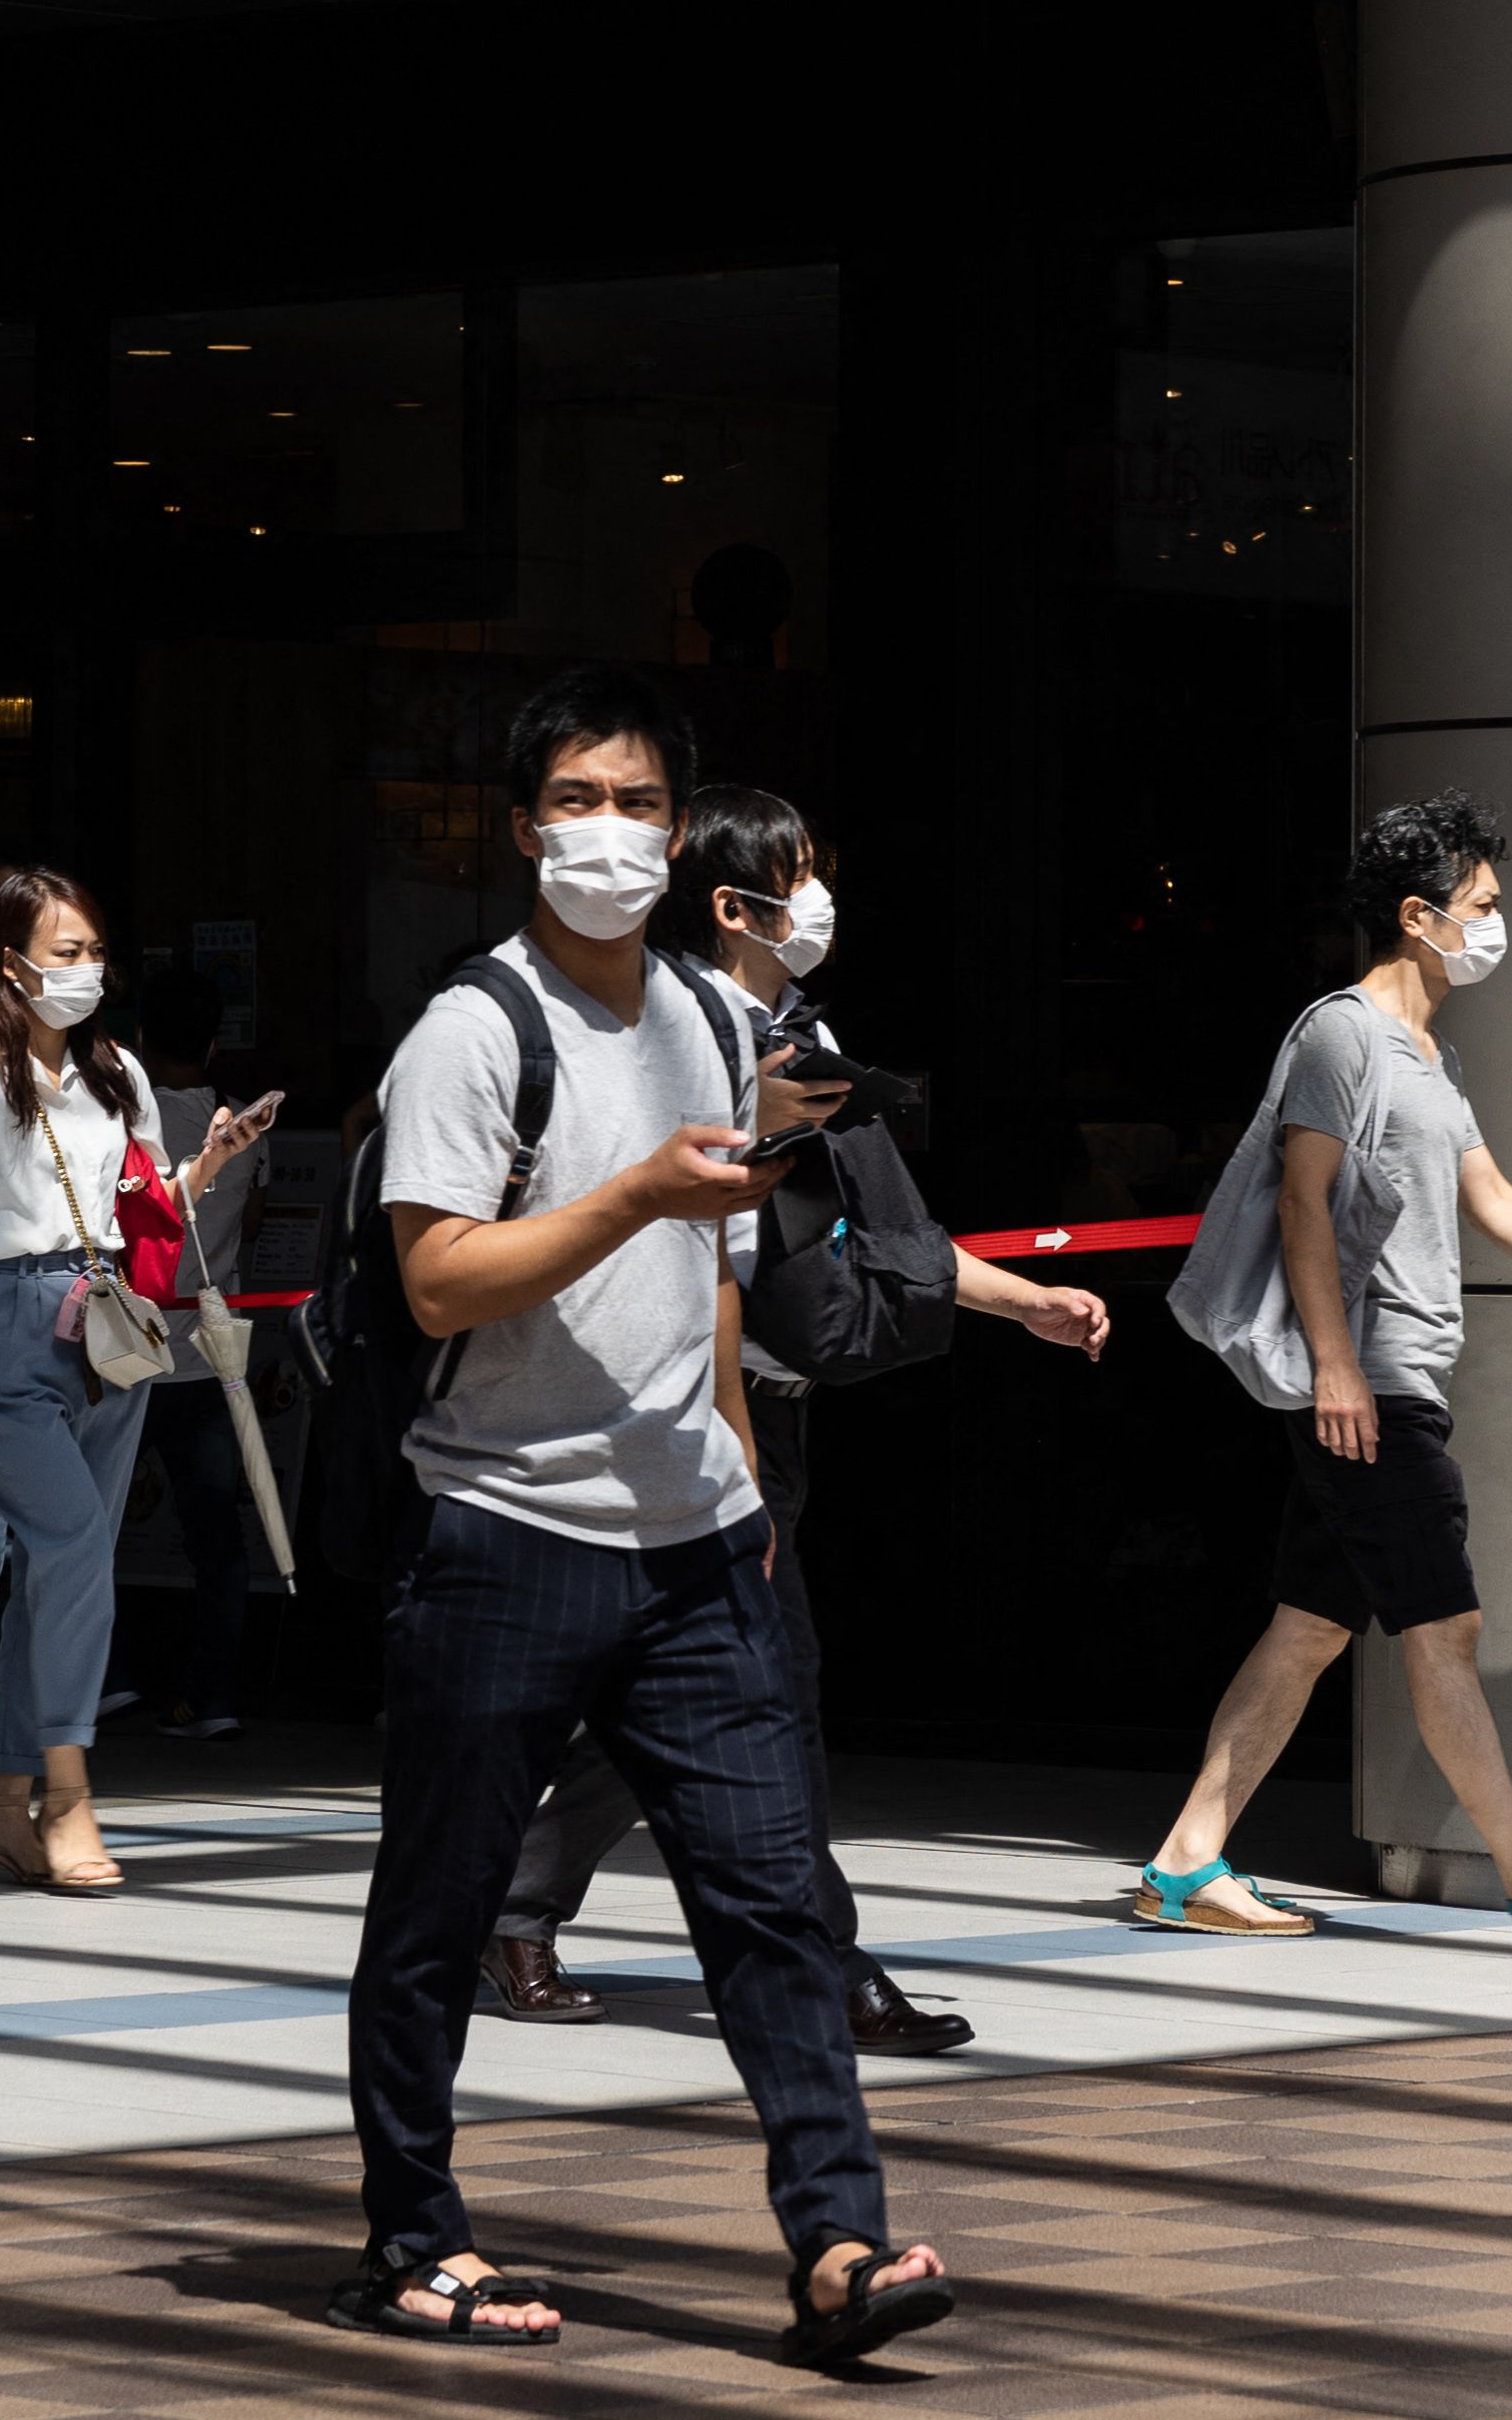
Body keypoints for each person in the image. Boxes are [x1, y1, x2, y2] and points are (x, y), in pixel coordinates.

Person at [333, 669, 951, 2365]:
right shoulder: (472, 1029)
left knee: (767, 1903)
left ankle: (838, 2242)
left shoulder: (704, 1014)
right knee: (438, 1907)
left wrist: (740, 1478)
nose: (602, 828)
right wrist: (627, 1192)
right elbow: (440, 1280)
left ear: (677, 836)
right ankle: (409, 2238)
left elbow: (716, 1281)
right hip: (502, 1535)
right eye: (573, 798)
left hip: (694, 1546)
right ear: (524, 824)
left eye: (632, 801)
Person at [480, 787, 1111, 2058]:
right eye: (802, 875)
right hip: (694, 1420)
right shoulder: (667, 1043)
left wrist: (1021, 1301)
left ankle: (510, 1907)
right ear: (736, 905)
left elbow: (888, 1243)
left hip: (767, 1417)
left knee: (676, 1692)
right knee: (771, 1695)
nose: (821, 899)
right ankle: (821, 1961)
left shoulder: (797, 1041)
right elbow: (662, 1234)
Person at [1132, 792, 1512, 1950]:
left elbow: (1490, 1198)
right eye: (1480, 905)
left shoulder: (1428, 1056)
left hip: (1387, 1381)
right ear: (1417, 914)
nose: (1497, 925)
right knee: (1442, 1630)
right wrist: (1337, 1370)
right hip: (1370, 1388)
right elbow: (1302, 1200)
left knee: (1308, 1630)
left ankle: (1185, 1863)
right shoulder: (1341, 1033)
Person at [0, 869, 252, 1892]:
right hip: (1, 1320)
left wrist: (209, 1166)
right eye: (64, 953)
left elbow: (137, 1203)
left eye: (95, 952)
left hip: (106, 1326)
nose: (85, 971)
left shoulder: (117, 1072)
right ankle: (70, 1791)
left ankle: (3, 1804)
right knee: (74, 1542)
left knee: (57, 1568)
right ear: (8, 962)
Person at [138, 960, 269, 1741]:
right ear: (215, 1043)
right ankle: (213, 1690)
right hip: (209, 1356)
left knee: (78, 1526)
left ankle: (100, 1681)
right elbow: (248, 1228)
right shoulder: (241, 1129)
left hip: (122, 1355)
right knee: (216, 1537)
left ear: (141, 1038)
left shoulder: (121, 1120)